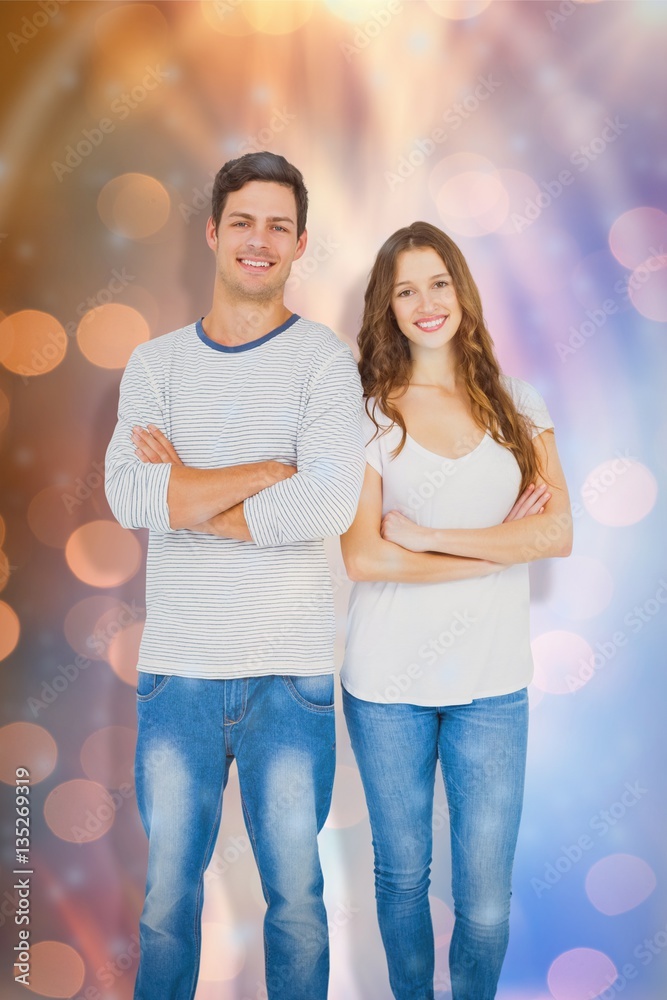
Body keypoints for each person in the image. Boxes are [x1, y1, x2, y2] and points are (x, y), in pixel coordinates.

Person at [104, 151, 365, 1000]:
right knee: (166, 902)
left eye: (278, 227)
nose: (260, 241)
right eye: (243, 222)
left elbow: (326, 506)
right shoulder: (155, 364)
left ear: (298, 246)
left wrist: (190, 494)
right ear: (214, 233)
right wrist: (263, 470)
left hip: (289, 681)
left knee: (295, 901)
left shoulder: (325, 362)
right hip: (177, 674)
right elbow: (130, 491)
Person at [339, 221, 572, 1000]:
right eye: (405, 289)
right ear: (388, 308)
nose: (425, 301)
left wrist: (432, 538)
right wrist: (496, 546)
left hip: (490, 685)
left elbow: (556, 533)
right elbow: (363, 557)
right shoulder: (369, 412)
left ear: (461, 290)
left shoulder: (516, 404)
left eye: (437, 282)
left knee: (484, 901)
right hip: (384, 688)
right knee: (401, 876)